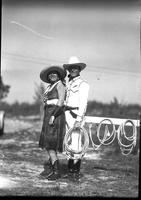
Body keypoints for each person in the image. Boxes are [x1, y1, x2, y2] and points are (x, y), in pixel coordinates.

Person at [63, 56, 90, 181]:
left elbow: (83, 103)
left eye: (75, 68)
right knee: (68, 142)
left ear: (79, 69)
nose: (73, 70)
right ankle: (70, 170)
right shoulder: (69, 83)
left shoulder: (83, 84)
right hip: (67, 114)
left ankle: (75, 172)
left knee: (76, 142)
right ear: (68, 69)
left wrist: (79, 119)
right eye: (71, 68)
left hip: (76, 115)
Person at [39, 65, 66, 180]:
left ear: (58, 75)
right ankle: (51, 169)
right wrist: (45, 101)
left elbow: (61, 101)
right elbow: (47, 101)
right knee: (48, 143)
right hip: (48, 114)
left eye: (54, 73)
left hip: (55, 115)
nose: (52, 75)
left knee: (51, 144)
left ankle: (56, 171)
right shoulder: (50, 87)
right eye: (50, 74)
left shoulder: (60, 85)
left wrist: (53, 115)